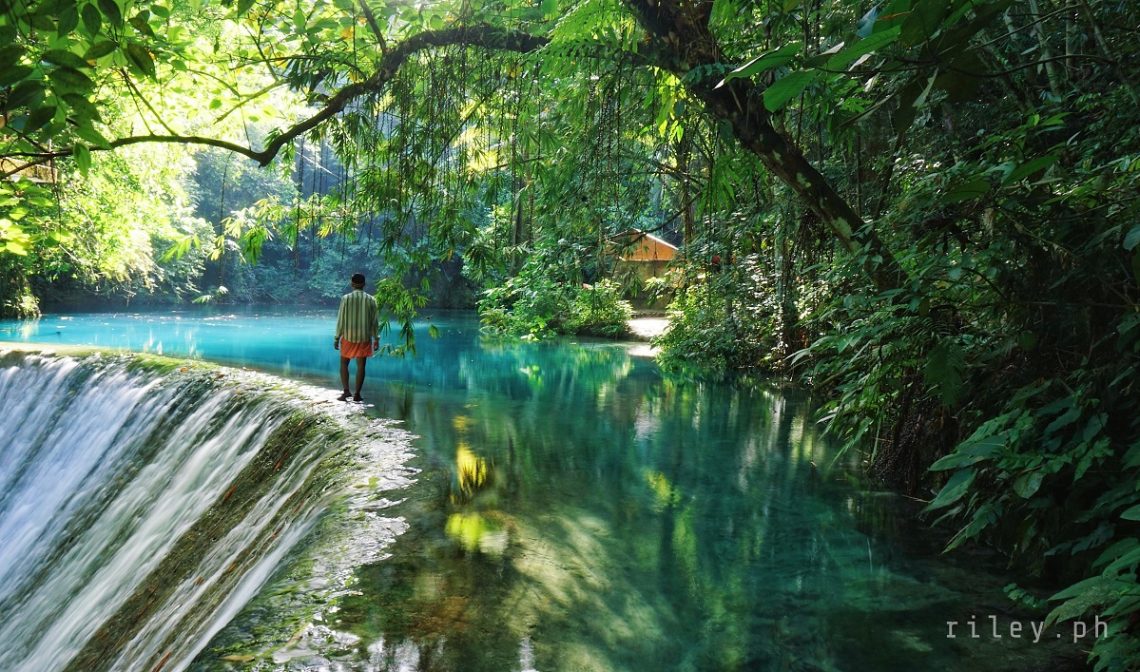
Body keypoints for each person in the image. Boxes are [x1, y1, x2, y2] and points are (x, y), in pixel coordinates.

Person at [334, 272, 380, 401]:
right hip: (364, 337)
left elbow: (340, 319)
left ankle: (346, 391)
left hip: (348, 336)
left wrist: (337, 337)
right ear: (364, 284)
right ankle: (357, 394)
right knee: (361, 366)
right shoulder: (371, 300)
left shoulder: (346, 298)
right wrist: (376, 338)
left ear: (352, 284)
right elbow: (374, 321)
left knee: (344, 363)